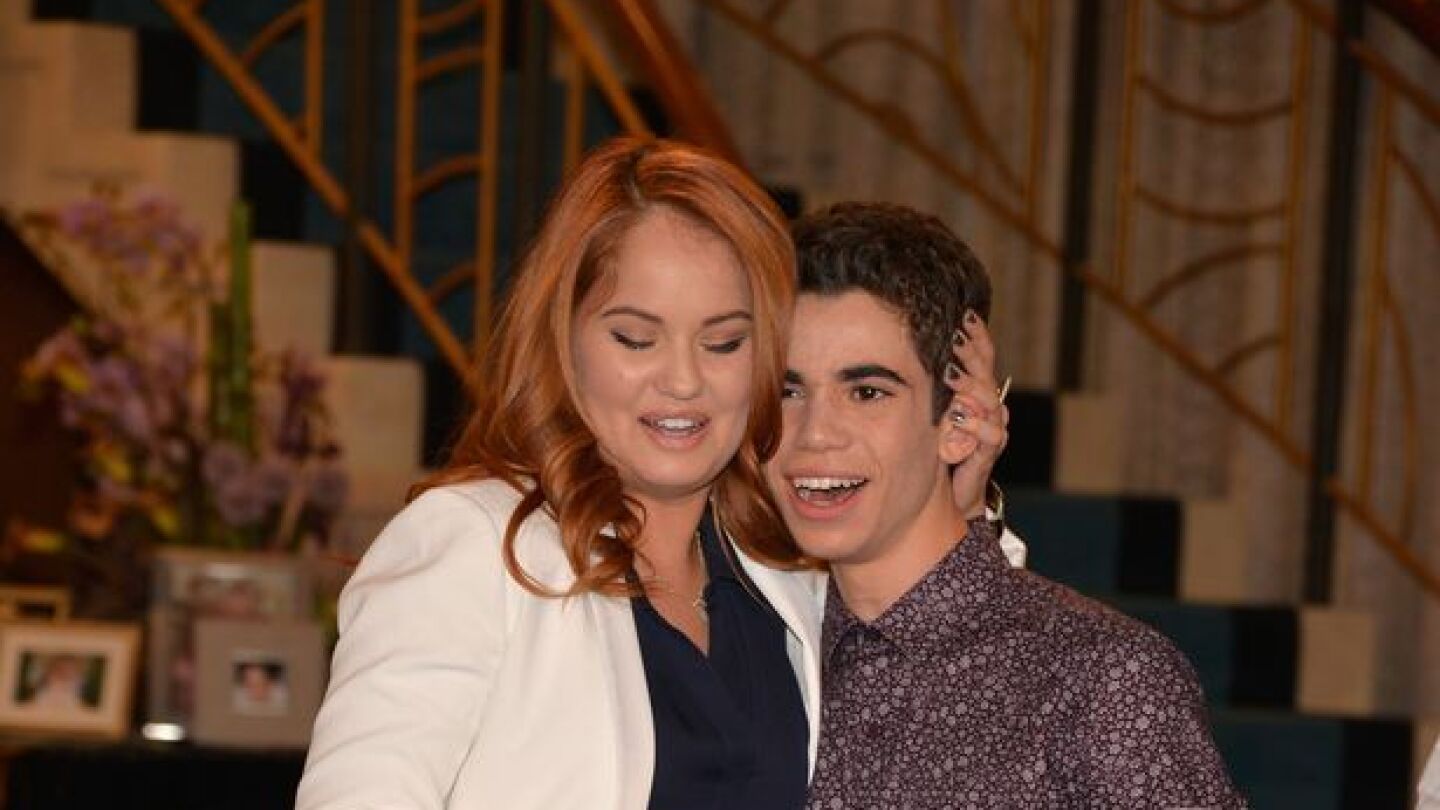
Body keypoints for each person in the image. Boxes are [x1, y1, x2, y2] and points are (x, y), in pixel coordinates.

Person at [296, 138, 1013, 809]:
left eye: (724, 342)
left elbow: (959, 696)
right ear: (563, 339)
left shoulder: (784, 574)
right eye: (636, 339)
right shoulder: (476, 547)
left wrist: (955, 501)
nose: (682, 381)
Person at [771, 202, 1245, 808]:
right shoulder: (763, 656)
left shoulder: (1103, 678)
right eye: (788, 390)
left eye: (867, 392)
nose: (814, 434)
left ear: (959, 422)